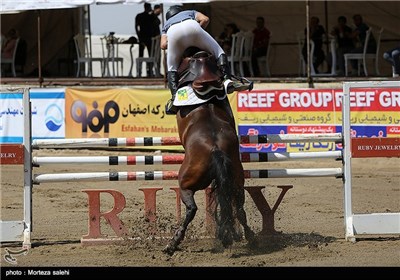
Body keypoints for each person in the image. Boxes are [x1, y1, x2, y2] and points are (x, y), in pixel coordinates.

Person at [161, 6, 249, 115]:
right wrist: (197, 33)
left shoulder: (166, 25)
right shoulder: (190, 12)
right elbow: (205, 19)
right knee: (219, 52)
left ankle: (175, 97)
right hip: (193, 27)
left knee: (172, 68)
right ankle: (227, 80)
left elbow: (163, 45)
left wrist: (176, 42)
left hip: (174, 34)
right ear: (180, 12)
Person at [135, 3, 154, 76]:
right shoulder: (149, 17)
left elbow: (136, 27)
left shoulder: (140, 16)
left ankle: (141, 71)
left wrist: (139, 37)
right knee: (149, 55)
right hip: (147, 37)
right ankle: (149, 71)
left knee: (144, 55)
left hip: (143, 37)